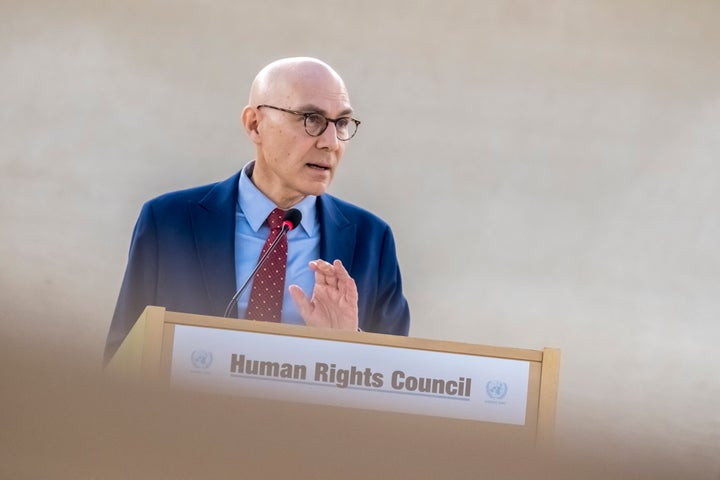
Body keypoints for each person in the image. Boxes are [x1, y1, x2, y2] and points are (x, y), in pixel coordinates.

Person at [104, 57, 410, 364]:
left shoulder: (372, 239)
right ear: (255, 124)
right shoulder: (169, 223)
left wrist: (349, 342)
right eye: (311, 119)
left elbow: (399, 386)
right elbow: (123, 359)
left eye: (342, 123)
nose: (331, 143)